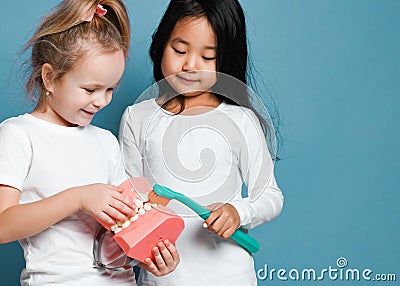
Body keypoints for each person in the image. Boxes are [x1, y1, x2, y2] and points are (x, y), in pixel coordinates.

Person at [0, 1, 179, 285]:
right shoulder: (19, 135)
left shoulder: (106, 142)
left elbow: (120, 234)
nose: (102, 101)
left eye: (110, 89)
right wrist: (78, 199)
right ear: (50, 77)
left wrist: (149, 255)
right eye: (90, 89)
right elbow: (2, 224)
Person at [119, 0, 284, 285]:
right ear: (161, 44)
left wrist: (238, 211)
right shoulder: (138, 117)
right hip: (163, 278)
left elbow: (270, 197)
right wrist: (143, 251)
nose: (190, 65)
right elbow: (129, 201)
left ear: (226, 61)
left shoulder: (241, 120)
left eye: (208, 57)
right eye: (180, 50)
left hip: (230, 276)